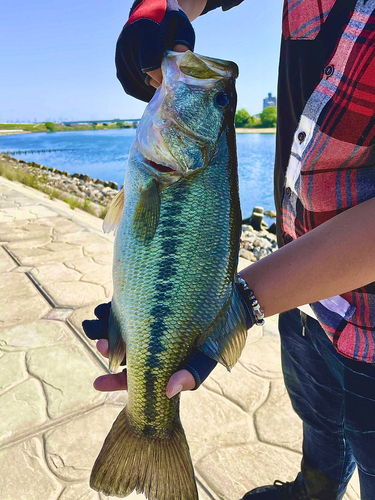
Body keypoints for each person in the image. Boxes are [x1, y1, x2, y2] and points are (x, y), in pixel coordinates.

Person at [82, 0, 375, 498]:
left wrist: (236, 305)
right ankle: (313, 490)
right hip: (301, 296)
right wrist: (165, 7)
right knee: (318, 420)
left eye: (218, 104)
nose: (219, 94)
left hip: (368, 323)